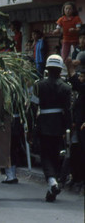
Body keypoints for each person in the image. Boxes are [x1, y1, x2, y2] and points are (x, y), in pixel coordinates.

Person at [32, 54, 71, 202]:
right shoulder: (66, 88)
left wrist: (30, 126)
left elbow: (33, 106)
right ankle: (52, 187)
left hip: (43, 124)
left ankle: (52, 182)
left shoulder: (38, 85)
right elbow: (68, 111)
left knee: (45, 156)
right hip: (59, 126)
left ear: (47, 69)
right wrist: (68, 128)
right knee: (55, 156)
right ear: (60, 70)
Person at [65, 57, 85, 191]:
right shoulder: (80, 93)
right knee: (75, 152)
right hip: (77, 126)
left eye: (83, 76)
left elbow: (76, 84)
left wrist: (71, 69)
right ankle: (76, 178)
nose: (80, 78)